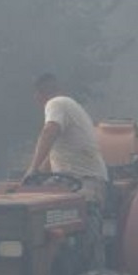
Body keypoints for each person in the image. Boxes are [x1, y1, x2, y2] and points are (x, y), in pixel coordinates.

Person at [22, 73, 108, 202]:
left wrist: (32, 169)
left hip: (82, 182)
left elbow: (48, 132)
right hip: (84, 180)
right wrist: (35, 176)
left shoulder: (56, 103)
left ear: (38, 95)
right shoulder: (71, 106)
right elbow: (50, 157)